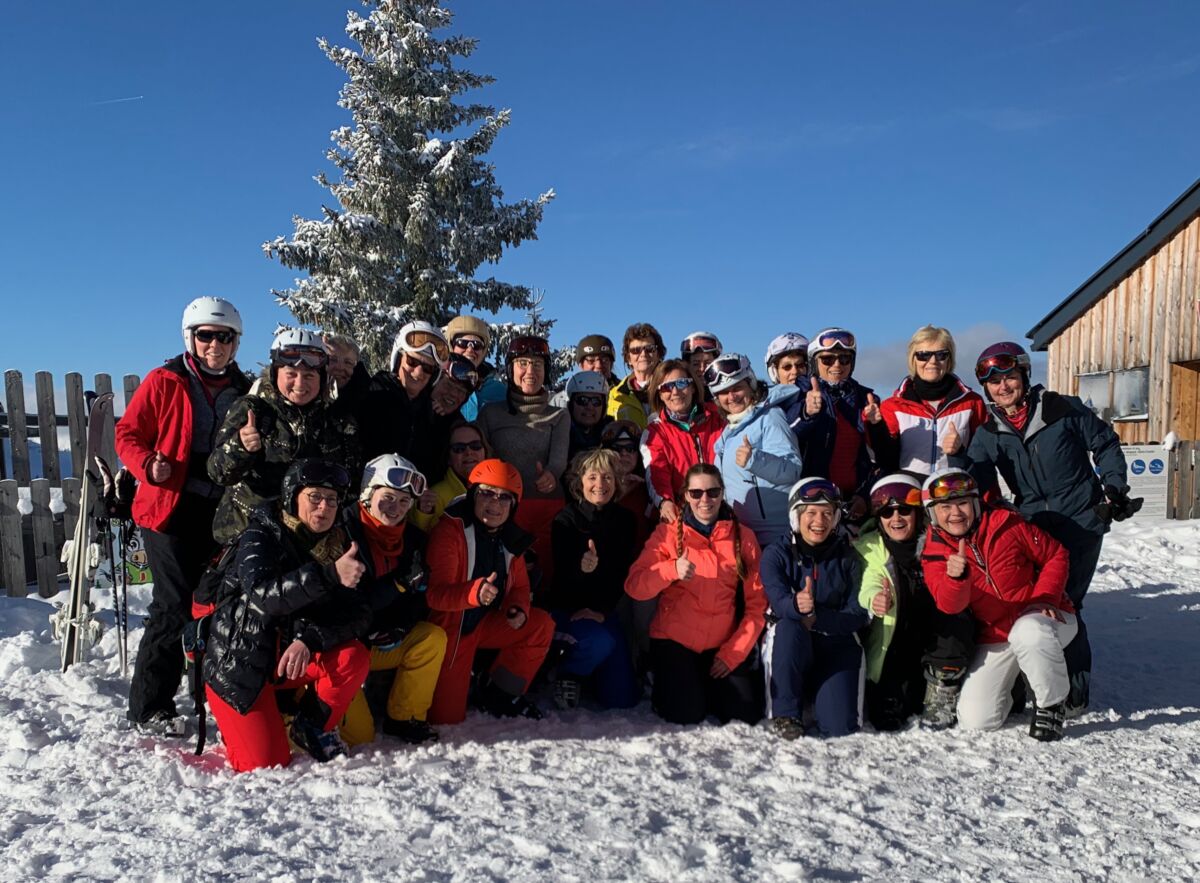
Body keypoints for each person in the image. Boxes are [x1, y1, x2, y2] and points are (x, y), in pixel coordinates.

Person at [965, 341, 1134, 715]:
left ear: (1024, 374)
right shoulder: (989, 430)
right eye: (993, 382)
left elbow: (1104, 443)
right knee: (1032, 601)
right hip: (1033, 526)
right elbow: (975, 479)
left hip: (1080, 519)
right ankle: (1032, 679)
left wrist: (1114, 487)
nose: (1002, 386)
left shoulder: (1062, 408)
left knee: (1067, 601)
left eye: (1008, 376)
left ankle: (1073, 687)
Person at [115, 296, 251, 733]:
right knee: (173, 606)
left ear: (235, 343)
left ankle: (207, 694)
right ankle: (150, 706)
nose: (215, 345)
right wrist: (146, 463)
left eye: (224, 337)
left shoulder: (245, 390)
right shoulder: (165, 381)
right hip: (170, 508)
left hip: (221, 513)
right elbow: (127, 433)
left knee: (211, 605)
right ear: (190, 338)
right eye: (206, 336)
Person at [202, 459, 372, 771]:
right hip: (241, 664)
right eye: (315, 497)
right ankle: (240, 725)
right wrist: (330, 575)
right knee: (265, 764)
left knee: (353, 657)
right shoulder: (260, 535)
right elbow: (265, 595)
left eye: (332, 499)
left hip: (287, 657)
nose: (324, 507)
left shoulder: (338, 543)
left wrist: (311, 638)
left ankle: (308, 725)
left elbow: (359, 613)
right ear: (293, 496)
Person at [919, 469, 1077, 741]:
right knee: (976, 720)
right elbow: (949, 606)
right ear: (933, 513)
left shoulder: (1007, 524)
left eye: (963, 503)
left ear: (976, 503)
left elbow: (1056, 555)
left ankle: (1051, 703)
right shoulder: (934, 554)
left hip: (1046, 617)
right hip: (996, 636)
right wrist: (956, 578)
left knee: (1028, 633)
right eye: (945, 507)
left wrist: (1044, 598)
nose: (955, 513)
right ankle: (1017, 686)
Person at [625, 464, 766, 726]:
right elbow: (635, 585)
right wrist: (670, 570)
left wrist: (733, 653)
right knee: (686, 714)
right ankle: (668, 682)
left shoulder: (742, 537)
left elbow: (757, 605)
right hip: (675, 640)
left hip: (721, 644)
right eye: (696, 492)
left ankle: (702, 684)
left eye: (712, 492)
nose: (705, 500)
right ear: (686, 495)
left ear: (722, 493)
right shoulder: (667, 534)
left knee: (745, 715)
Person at [425, 459, 555, 723]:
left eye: (504, 497)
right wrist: (473, 592)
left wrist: (517, 609)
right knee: (446, 719)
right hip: (453, 629)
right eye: (486, 493)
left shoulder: (508, 536)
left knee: (540, 624)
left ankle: (499, 694)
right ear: (473, 495)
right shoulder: (450, 532)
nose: (495, 504)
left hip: (484, 623)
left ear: (514, 504)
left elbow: (520, 585)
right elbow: (435, 596)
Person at [208, 329, 360, 545]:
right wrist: (239, 446)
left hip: (308, 541)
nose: (300, 384)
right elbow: (217, 472)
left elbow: (350, 483)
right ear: (275, 374)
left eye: (309, 376)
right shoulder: (253, 410)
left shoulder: (336, 421)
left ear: (322, 377)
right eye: (291, 374)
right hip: (248, 534)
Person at [854, 474, 975, 731]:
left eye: (904, 511)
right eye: (888, 513)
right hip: (894, 642)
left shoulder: (938, 541)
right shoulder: (870, 548)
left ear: (918, 513)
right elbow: (870, 579)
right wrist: (875, 598)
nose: (896, 519)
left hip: (936, 639)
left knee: (952, 608)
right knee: (890, 714)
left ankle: (943, 684)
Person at [340, 455, 447, 746]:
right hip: (342, 649)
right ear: (368, 494)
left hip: (379, 642)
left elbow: (417, 598)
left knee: (431, 638)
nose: (395, 508)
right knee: (360, 737)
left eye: (403, 502)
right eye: (387, 497)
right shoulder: (342, 531)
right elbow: (348, 601)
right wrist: (398, 584)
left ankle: (405, 717)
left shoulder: (412, 539)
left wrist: (400, 626)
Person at [760, 478, 869, 739]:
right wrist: (796, 605)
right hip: (794, 637)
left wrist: (819, 618)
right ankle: (786, 712)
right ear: (796, 516)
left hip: (834, 639)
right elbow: (777, 598)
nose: (819, 521)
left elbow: (858, 612)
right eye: (811, 512)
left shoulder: (848, 557)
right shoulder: (777, 554)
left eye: (827, 513)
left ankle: (822, 696)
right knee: (786, 628)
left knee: (840, 727)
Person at [547, 449, 640, 710]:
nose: (600, 485)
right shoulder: (566, 519)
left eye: (608, 477)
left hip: (602, 612)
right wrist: (582, 568)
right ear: (580, 482)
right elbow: (562, 573)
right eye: (593, 477)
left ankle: (592, 671)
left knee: (622, 699)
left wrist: (600, 610)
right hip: (567, 610)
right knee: (599, 642)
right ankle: (568, 672)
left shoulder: (625, 520)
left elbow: (621, 571)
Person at [477, 335, 570, 591]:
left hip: (546, 506)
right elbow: (479, 459)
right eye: (523, 364)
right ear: (511, 369)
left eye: (538, 365)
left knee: (546, 577)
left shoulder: (559, 415)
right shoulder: (490, 413)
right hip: (502, 507)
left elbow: (559, 460)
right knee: (505, 575)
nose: (530, 371)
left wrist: (551, 474)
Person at [707, 354, 803, 547]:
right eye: (724, 392)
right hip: (743, 537)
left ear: (750, 385)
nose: (731, 397)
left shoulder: (770, 417)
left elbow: (792, 469)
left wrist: (755, 460)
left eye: (737, 388)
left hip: (776, 536)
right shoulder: (728, 431)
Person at [788, 328, 882, 519]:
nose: (837, 365)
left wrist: (864, 496)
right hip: (814, 501)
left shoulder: (867, 399)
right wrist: (806, 413)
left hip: (853, 501)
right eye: (827, 359)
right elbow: (786, 437)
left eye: (844, 359)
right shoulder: (797, 393)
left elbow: (882, 458)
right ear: (814, 362)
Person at [876, 326, 987, 478]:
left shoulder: (972, 402)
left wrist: (960, 450)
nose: (933, 361)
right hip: (911, 494)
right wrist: (874, 426)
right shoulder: (893, 406)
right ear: (913, 359)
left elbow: (984, 458)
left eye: (942, 355)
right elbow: (885, 459)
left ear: (950, 360)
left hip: (955, 493)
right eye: (923, 355)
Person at [357, 320, 452, 475]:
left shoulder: (431, 413)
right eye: (412, 361)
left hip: (410, 494)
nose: (419, 372)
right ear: (399, 358)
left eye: (428, 368)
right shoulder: (371, 394)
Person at [641, 359, 723, 523]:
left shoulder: (718, 417)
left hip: (723, 508)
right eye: (666, 387)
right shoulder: (656, 432)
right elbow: (657, 473)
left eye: (681, 383)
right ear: (660, 394)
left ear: (692, 386)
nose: (675, 391)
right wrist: (665, 501)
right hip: (685, 516)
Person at [409, 421, 489, 532]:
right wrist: (423, 514)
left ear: (485, 451)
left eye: (475, 446)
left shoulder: (500, 489)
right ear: (448, 458)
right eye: (459, 448)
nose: (469, 452)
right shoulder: (435, 497)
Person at [608, 323, 665, 429]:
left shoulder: (671, 388)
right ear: (628, 358)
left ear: (659, 354)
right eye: (635, 350)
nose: (643, 354)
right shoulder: (615, 396)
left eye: (649, 348)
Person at [446, 315, 500, 421]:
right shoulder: (436, 383)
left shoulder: (498, 390)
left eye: (477, 345)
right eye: (462, 343)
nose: (470, 350)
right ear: (451, 346)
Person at [551, 334, 622, 409]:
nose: (598, 365)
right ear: (581, 365)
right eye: (591, 360)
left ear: (611, 364)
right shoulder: (562, 401)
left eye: (604, 360)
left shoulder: (624, 395)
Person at [564, 370, 613, 459]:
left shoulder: (612, 435)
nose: (589, 407)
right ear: (571, 405)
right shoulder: (559, 435)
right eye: (582, 400)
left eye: (596, 401)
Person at [323, 332, 370, 418]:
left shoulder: (367, 403)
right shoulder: (311, 394)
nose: (340, 367)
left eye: (348, 362)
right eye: (333, 360)